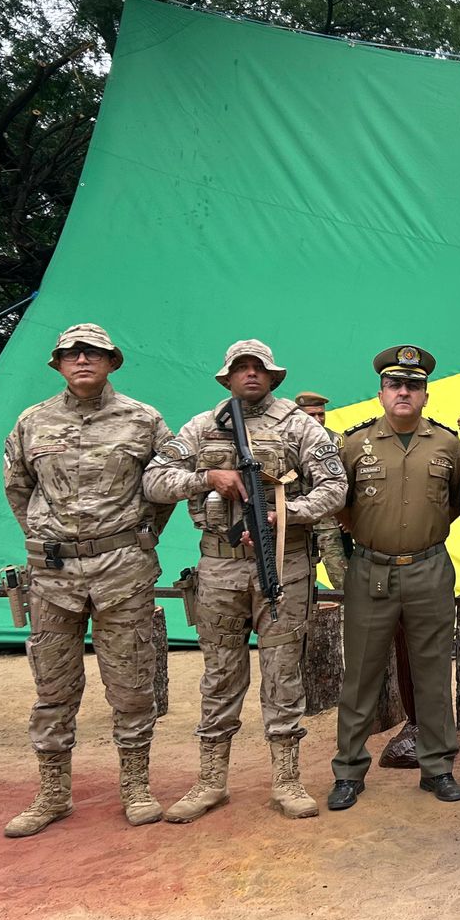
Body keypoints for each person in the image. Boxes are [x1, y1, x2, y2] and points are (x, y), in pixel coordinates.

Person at [144, 341, 348, 822]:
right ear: (228, 377)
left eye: (260, 368)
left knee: (283, 674)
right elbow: (155, 480)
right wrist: (207, 478)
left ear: (273, 377)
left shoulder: (298, 425)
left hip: (284, 563)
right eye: (242, 368)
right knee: (219, 675)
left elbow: (335, 488)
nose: (251, 374)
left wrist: (285, 513)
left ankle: (287, 780)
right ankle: (211, 781)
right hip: (219, 567)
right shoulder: (202, 426)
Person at [2, 324, 174, 837]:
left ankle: (136, 786)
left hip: (123, 572)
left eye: (93, 352)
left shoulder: (144, 420)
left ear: (111, 361)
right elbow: (17, 486)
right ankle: (53, 793)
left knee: (132, 683)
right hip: (53, 576)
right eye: (71, 353)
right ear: (57, 363)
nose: (82, 359)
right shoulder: (32, 421)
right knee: (52, 686)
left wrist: (138, 538)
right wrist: (46, 535)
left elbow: (164, 488)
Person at [329, 345, 460, 808]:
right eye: (394, 384)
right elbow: (341, 506)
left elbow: (455, 502)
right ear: (381, 393)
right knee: (361, 676)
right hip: (372, 571)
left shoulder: (447, 444)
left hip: (429, 569)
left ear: (426, 394)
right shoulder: (354, 444)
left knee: (433, 673)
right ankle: (349, 771)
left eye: (412, 385)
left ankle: (437, 767)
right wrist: (375, 537)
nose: (403, 391)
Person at [295, 389, 349, 590]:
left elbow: (349, 480)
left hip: (331, 523)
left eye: (321, 414)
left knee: (342, 578)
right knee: (299, 580)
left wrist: (348, 515)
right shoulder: (287, 441)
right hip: (299, 522)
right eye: (312, 415)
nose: (318, 419)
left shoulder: (337, 441)